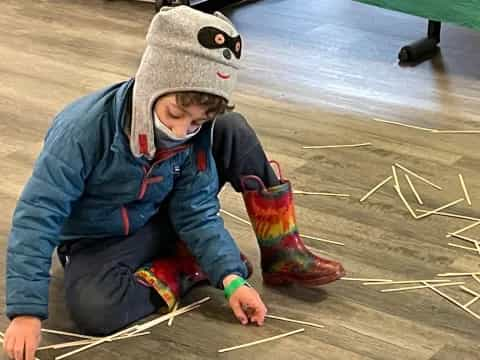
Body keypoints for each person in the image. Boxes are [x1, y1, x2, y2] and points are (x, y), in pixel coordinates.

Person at [3, 6, 345, 360]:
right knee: (96, 308)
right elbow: (38, 214)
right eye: (174, 115)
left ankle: (282, 252)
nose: (181, 131)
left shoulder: (196, 134)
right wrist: (26, 311)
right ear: (151, 87)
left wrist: (231, 278)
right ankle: (186, 264)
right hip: (98, 239)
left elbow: (195, 210)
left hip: (160, 211)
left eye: (196, 121)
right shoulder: (82, 131)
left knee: (234, 128)